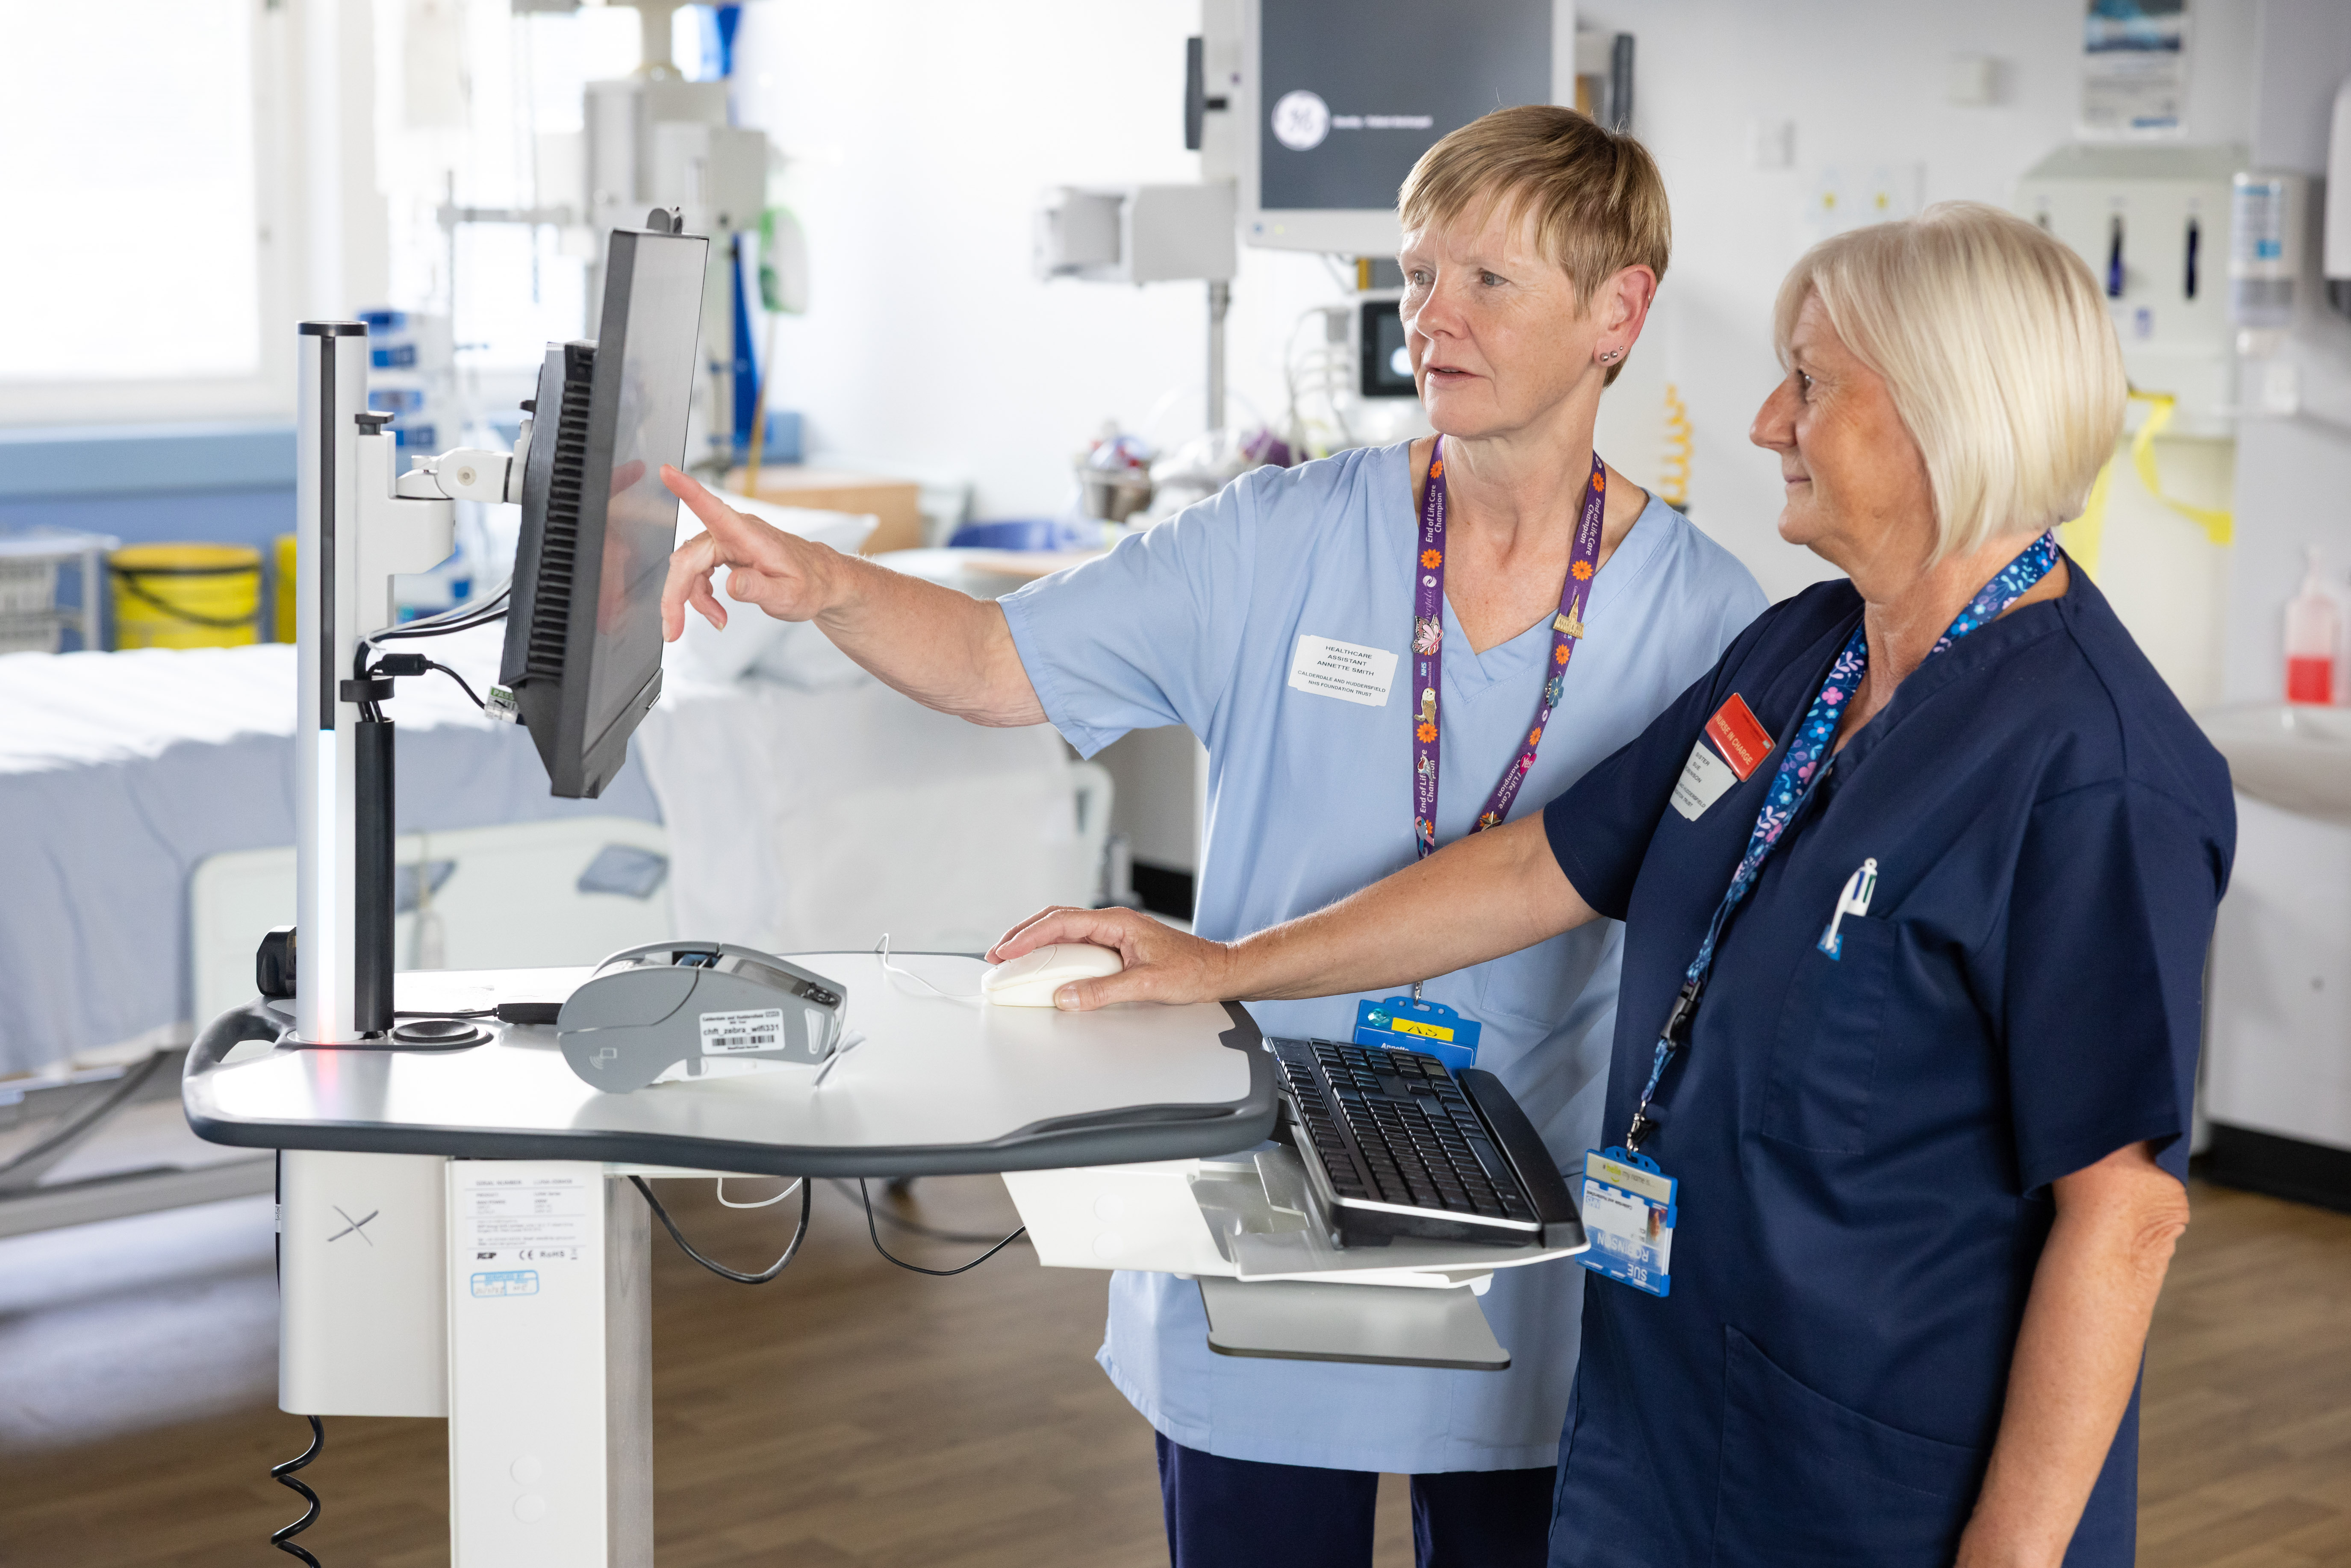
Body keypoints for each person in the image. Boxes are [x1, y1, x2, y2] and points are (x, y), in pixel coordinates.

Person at [988, 201, 2231, 1568]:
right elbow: (1549, 859)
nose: (1766, 421)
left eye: (1808, 382)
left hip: (1878, 1472)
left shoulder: (2093, 772)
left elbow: (2123, 1213)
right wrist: (1226, 967)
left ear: (1947, 412)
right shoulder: (1804, 654)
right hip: (1669, 1402)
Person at [662, 106, 1765, 1567]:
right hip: (1267, 1178)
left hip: (1526, 1219)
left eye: (1485, 282)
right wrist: (825, 583)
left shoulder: (1708, 617)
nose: (1430, 319)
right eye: (1417, 275)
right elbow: (1004, 663)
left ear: (1615, 310)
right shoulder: (1282, 536)